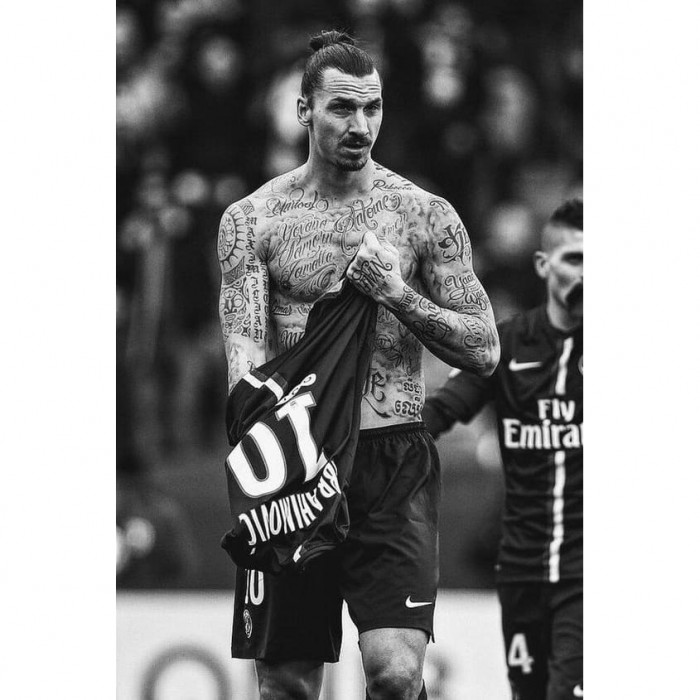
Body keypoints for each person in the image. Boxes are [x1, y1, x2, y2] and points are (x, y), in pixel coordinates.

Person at [217, 30, 499, 700]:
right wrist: (270, 464)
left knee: (396, 675)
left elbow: (484, 348)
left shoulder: (424, 215)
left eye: (372, 108)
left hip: (391, 459)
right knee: (286, 684)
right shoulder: (253, 221)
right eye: (342, 107)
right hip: (298, 461)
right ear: (303, 110)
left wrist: (396, 293)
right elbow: (244, 362)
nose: (360, 125)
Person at [422, 198, 583, 700]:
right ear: (544, 265)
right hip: (521, 570)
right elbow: (439, 413)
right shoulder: (506, 345)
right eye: (575, 259)